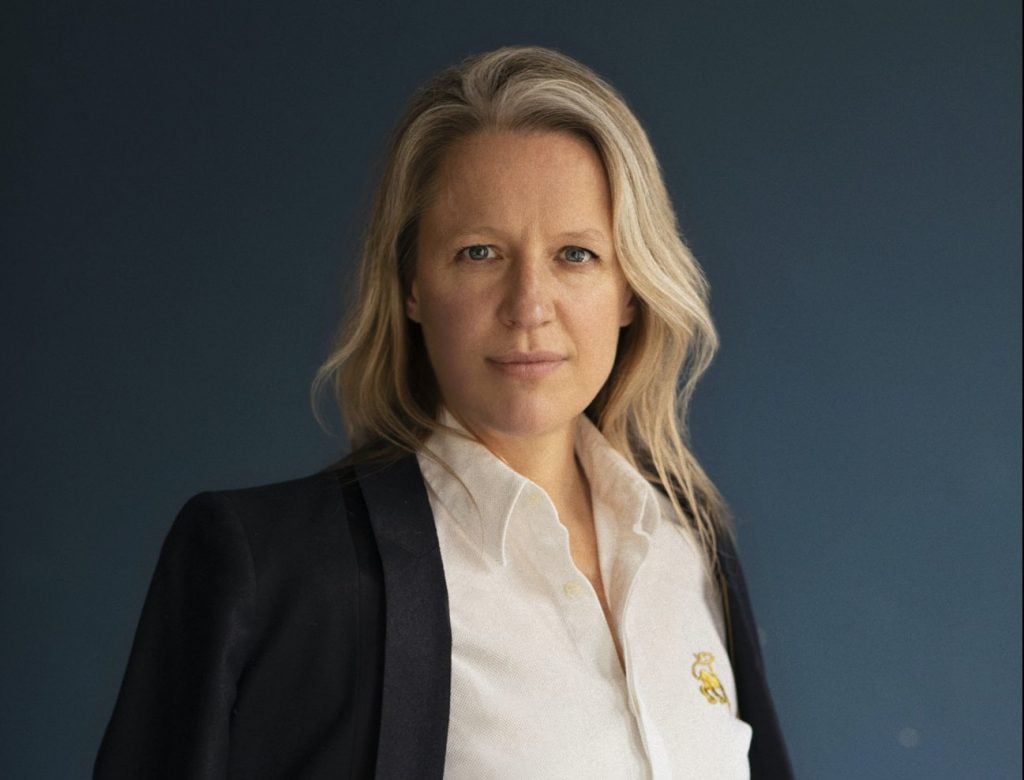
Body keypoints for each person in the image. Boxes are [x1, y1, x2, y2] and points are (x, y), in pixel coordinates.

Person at [95, 45, 792, 779]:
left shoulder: (689, 546)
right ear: (411, 286)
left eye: (576, 255)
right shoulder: (273, 575)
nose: (529, 306)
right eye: (480, 252)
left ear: (630, 288)